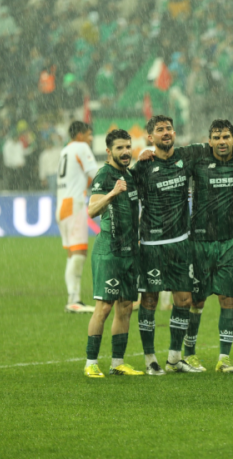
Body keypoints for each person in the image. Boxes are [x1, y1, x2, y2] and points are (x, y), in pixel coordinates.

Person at [134, 117, 233, 375]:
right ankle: (172, 356)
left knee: (210, 299)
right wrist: (144, 153)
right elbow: (129, 194)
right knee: (180, 300)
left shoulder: (195, 155)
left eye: (169, 129)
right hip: (177, 242)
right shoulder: (158, 163)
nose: (221, 141)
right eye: (160, 130)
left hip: (205, 242)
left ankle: (202, 358)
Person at [184, 119, 233, 373]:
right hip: (199, 242)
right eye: (216, 137)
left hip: (228, 242)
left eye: (226, 137)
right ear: (209, 141)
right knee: (196, 301)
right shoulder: (198, 161)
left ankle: (224, 358)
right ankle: (189, 354)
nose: (222, 142)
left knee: (229, 300)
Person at [83, 129, 143, 378]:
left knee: (125, 306)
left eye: (128, 146)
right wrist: (112, 193)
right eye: (120, 148)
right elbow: (91, 211)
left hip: (130, 251)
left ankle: (117, 362)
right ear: (109, 152)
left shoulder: (130, 175)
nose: (125, 151)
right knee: (104, 307)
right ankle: (90, 363)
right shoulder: (105, 175)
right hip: (109, 251)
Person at [57, 121, 98, 314]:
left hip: (62, 204)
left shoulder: (65, 150)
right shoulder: (81, 147)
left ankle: (72, 298)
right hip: (74, 204)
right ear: (80, 135)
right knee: (79, 253)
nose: (91, 138)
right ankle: (74, 300)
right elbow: (95, 174)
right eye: (89, 135)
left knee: (73, 254)